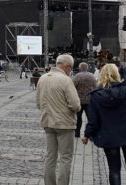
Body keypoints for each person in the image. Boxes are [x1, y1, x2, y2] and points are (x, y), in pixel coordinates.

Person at [82, 64, 126, 185]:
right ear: (117, 74)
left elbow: (93, 121)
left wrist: (86, 135)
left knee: (114, 170)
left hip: (109, 135)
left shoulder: (96, 96)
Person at [36, 54, 81, 185]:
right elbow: (76, 105)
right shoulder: (66, 80)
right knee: (65, 158)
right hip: (64, 125)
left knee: (50, 157)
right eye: (70, 68)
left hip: (47, 123)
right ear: (67, 66)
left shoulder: (43, 78)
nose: (70, 70)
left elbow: (38, 103)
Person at [73, 62, 95, 138]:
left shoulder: (77, 76)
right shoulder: (92, 76)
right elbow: (95, 87)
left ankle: (77, 133)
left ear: (80, 68)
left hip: (79, 100)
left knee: (78, 118)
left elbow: (73, 88)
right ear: (87, 68)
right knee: (90, 118)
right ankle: (90, 134)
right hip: (89, 100)